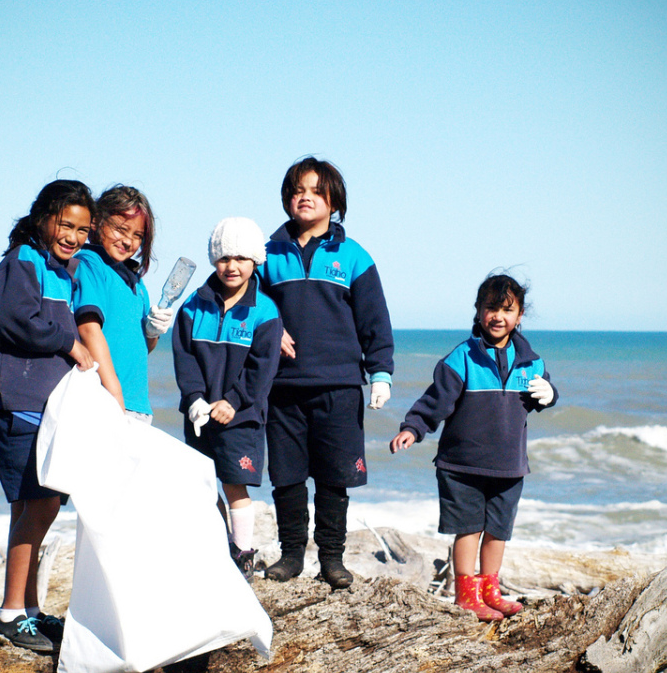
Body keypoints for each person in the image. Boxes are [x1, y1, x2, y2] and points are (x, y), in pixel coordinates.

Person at [0, 179, 96, 652]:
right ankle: (9, 614)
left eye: (84, 230)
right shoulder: (22, 260)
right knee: (41, 503)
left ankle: (27, 609)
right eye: (67, 224)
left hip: (45, 406)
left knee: (31, 505)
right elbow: (14, 318)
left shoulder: (66, 271)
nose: (75, 236)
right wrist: (68, 343)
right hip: (18, 401)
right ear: (44, 217)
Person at [257, 157, 394, 589]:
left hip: (338, 386)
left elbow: (375, 321)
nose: (306, 197)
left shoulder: (353, 256)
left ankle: (332, 559)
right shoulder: (267, 253)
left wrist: (381, 374)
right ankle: (292, 555)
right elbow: (244, 300)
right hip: (282, 388)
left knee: (335, 477)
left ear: (334, 202)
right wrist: (270, 328)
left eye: (317, 191)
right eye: (298, 190)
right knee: (287, 477)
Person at [389, 273, 558, 621]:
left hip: (510, 465)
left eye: (507, 310)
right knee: (468, 528)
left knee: (498, 530)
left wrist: (550, 395)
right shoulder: (462, 357)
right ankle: (465, 594)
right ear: (479, 311)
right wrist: (413, 428)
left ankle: (490, 591)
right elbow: (434, 401)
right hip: (461, 465)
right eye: (490, 308)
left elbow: (543, 395)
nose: (498, 316)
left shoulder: (532, 361)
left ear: (520, 315)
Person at [172, 217, 283, 579]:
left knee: (235, 485)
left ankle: (243, 553)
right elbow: (184, 358)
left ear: (255, 261)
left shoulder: (265, 311)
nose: (231, 266)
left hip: (242, 417)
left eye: (240, 258)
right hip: (200, 417)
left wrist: (233, 401)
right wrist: (194, 399)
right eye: (223, 258)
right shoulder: (192, 307)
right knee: (202, 487)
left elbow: (262, 368)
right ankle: (217, 548)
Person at [74, 185, 173, 421]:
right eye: (121, 229)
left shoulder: (137, 282)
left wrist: (152, 332)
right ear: (96, 222)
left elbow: (142, 348)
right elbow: (89, 329)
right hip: (104, 400)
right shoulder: (90, 263)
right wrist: (114, 396)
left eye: (138, 235)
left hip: (138, 404)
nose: (128, 241)